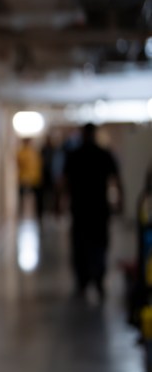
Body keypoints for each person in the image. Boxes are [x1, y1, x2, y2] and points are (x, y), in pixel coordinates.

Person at [62, 123, 123, 300]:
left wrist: (60, 202)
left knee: (83, 245)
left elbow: (63, 182)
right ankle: (95, 280)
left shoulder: (76, 155)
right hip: (95, 209)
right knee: (98, 245)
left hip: (83, 208)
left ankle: (86, 282)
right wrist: (120, 200)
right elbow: (116, 180)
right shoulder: (102, 154)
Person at [16, 138, 43, 220]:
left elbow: (37, 166)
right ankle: (21, 213)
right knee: (22, 197)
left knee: (35, 198)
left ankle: (35, 213)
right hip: (24, 178)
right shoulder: (21, 152)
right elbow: (19, 163)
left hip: (34, 179)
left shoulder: (34, 152)